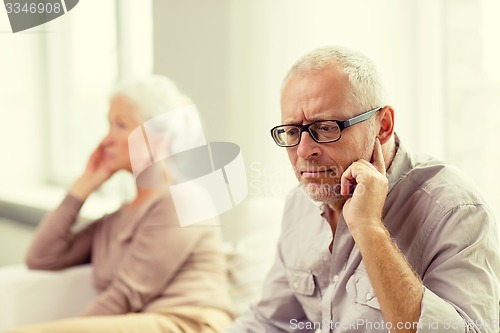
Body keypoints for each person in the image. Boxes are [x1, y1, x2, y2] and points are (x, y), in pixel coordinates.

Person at [226, 46, 500, 333]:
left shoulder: (455, 210)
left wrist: (369, 229)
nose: (304, 151)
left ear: (383, 125)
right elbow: (271, 322)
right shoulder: (300, 203)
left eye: (326, 127)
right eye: (292, 132)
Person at [9, 76, 234, 333]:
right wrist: (82, 187)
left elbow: (126, 295)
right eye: (109, 125)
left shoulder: (184, 200)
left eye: (120, 125)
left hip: (188, 323)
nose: (107, 139)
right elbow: (42, 258)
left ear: (155, 138)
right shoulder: (118, 218)